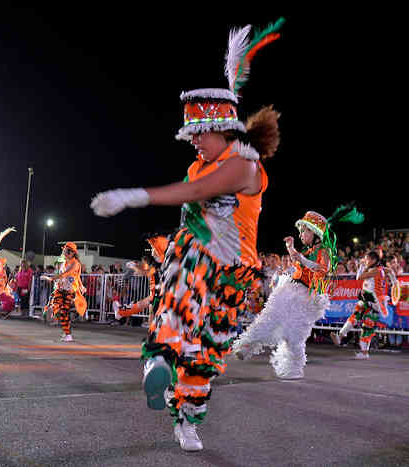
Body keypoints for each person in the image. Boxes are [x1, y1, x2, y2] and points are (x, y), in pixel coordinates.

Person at [91, 18, 284, 451]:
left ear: (224, 132)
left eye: (199, 134)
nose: (193, 142)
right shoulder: (199, 164)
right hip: (197, 253)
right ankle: (158, 359)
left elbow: (198, 192)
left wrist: (134, 195)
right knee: (180, 298)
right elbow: (194, 196)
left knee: (208, 351)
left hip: (235, 270)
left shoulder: (246, 164)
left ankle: (187, 419)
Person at [233, 206, 363, 378]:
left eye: (304, 231)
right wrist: (291, 248)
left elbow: (322, 269)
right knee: (270, 316)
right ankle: (248, 344)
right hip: (290, 289)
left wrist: (300, 258)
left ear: (316, 233)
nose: (301, 234)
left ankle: (292, 368)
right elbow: (298, 263)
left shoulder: (325, 251)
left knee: (294, 334)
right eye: (301, 231)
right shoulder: (308, 251)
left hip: (306, 297)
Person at [332, 251, 391, 359]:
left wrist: (361, 265)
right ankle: (341, 337)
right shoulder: (379, 269)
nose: (365, 260)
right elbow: (389, 270)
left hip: (374, 302)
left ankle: (361, 351)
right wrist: (394, 279)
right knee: (359, 319)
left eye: (367, 258)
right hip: (368, 300)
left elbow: (359, 277)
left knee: (366, 326)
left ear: (373, 260)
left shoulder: (375, 270)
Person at [43, 242, 87, 341]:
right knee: (55, 306)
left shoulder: (75, 264)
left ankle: (68, 334)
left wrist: (51, 278)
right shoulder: (64, 263)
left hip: (69, 291)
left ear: (73, 253)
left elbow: (69, 274)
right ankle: (54, 316)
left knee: (64, 312)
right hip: (60, 289)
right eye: (65, 250)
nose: (65, 252)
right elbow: (73, 276)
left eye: (68, 251)